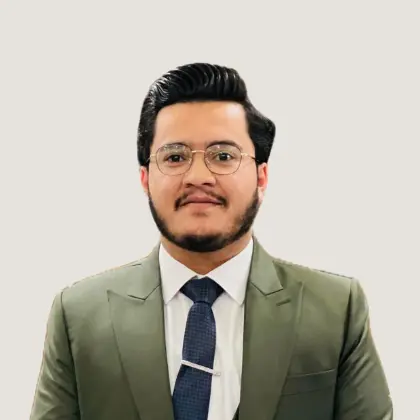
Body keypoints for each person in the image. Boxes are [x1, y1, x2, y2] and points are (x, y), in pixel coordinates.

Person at [30, 63, 393, 420]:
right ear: (145, 178)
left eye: (223, 156)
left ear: (261, 176)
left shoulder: (335, 309)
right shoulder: (79, 315)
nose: (198, 177)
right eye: (175, 157)